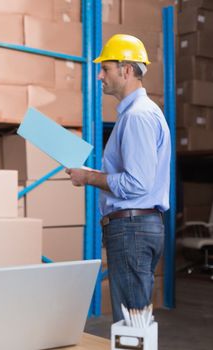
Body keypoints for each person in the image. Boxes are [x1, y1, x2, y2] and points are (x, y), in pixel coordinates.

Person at [65, 34, 170, 322]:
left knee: (131, 324)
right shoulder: (138, 114)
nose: (100, 75)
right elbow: (135, 177)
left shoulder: (137, 117)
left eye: (106, 68)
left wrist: (88, 177)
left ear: (126, 70)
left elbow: (137, 183)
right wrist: (89, 175)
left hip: (132, 228)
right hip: (136, 226)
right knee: (134, 320)